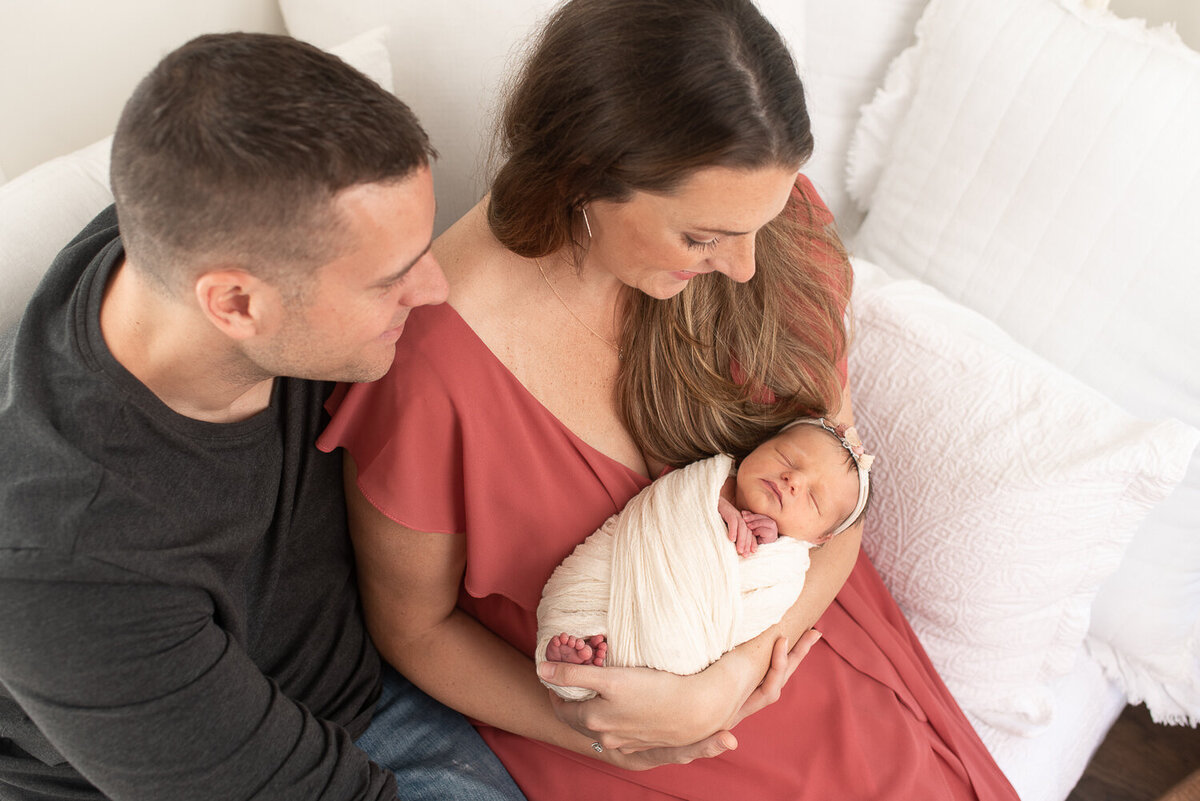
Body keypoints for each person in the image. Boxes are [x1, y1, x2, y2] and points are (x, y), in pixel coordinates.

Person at [318, 0, 1021, 798]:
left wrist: (737, 674)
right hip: (624, 739)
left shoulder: (759, 215)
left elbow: (841, 497)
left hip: (803, 648)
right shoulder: (434, 369)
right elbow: (415, 628)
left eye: (759, 219)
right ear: (583, 176)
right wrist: (608, 734)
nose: (746, 267)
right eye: (702, 238)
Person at [0, 33, 524, 801]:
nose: (435, 289)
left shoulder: (190, 227)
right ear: (236, 303)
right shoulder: (72, 569)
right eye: (391, 279)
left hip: (360, 669)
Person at [541, 416, 875, 676]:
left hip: (683, 637)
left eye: (813, 499)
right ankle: (579, 650)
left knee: (663, 648)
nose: (793, 480)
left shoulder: (783, 563)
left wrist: (765, 547)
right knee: (582, 598)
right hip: (619, 576)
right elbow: (675, 501)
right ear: (758, 446)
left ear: (819, 539)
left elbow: (753, 609)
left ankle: (593, 658)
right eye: (786, 458)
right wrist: (717, 507)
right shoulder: (706, 480)